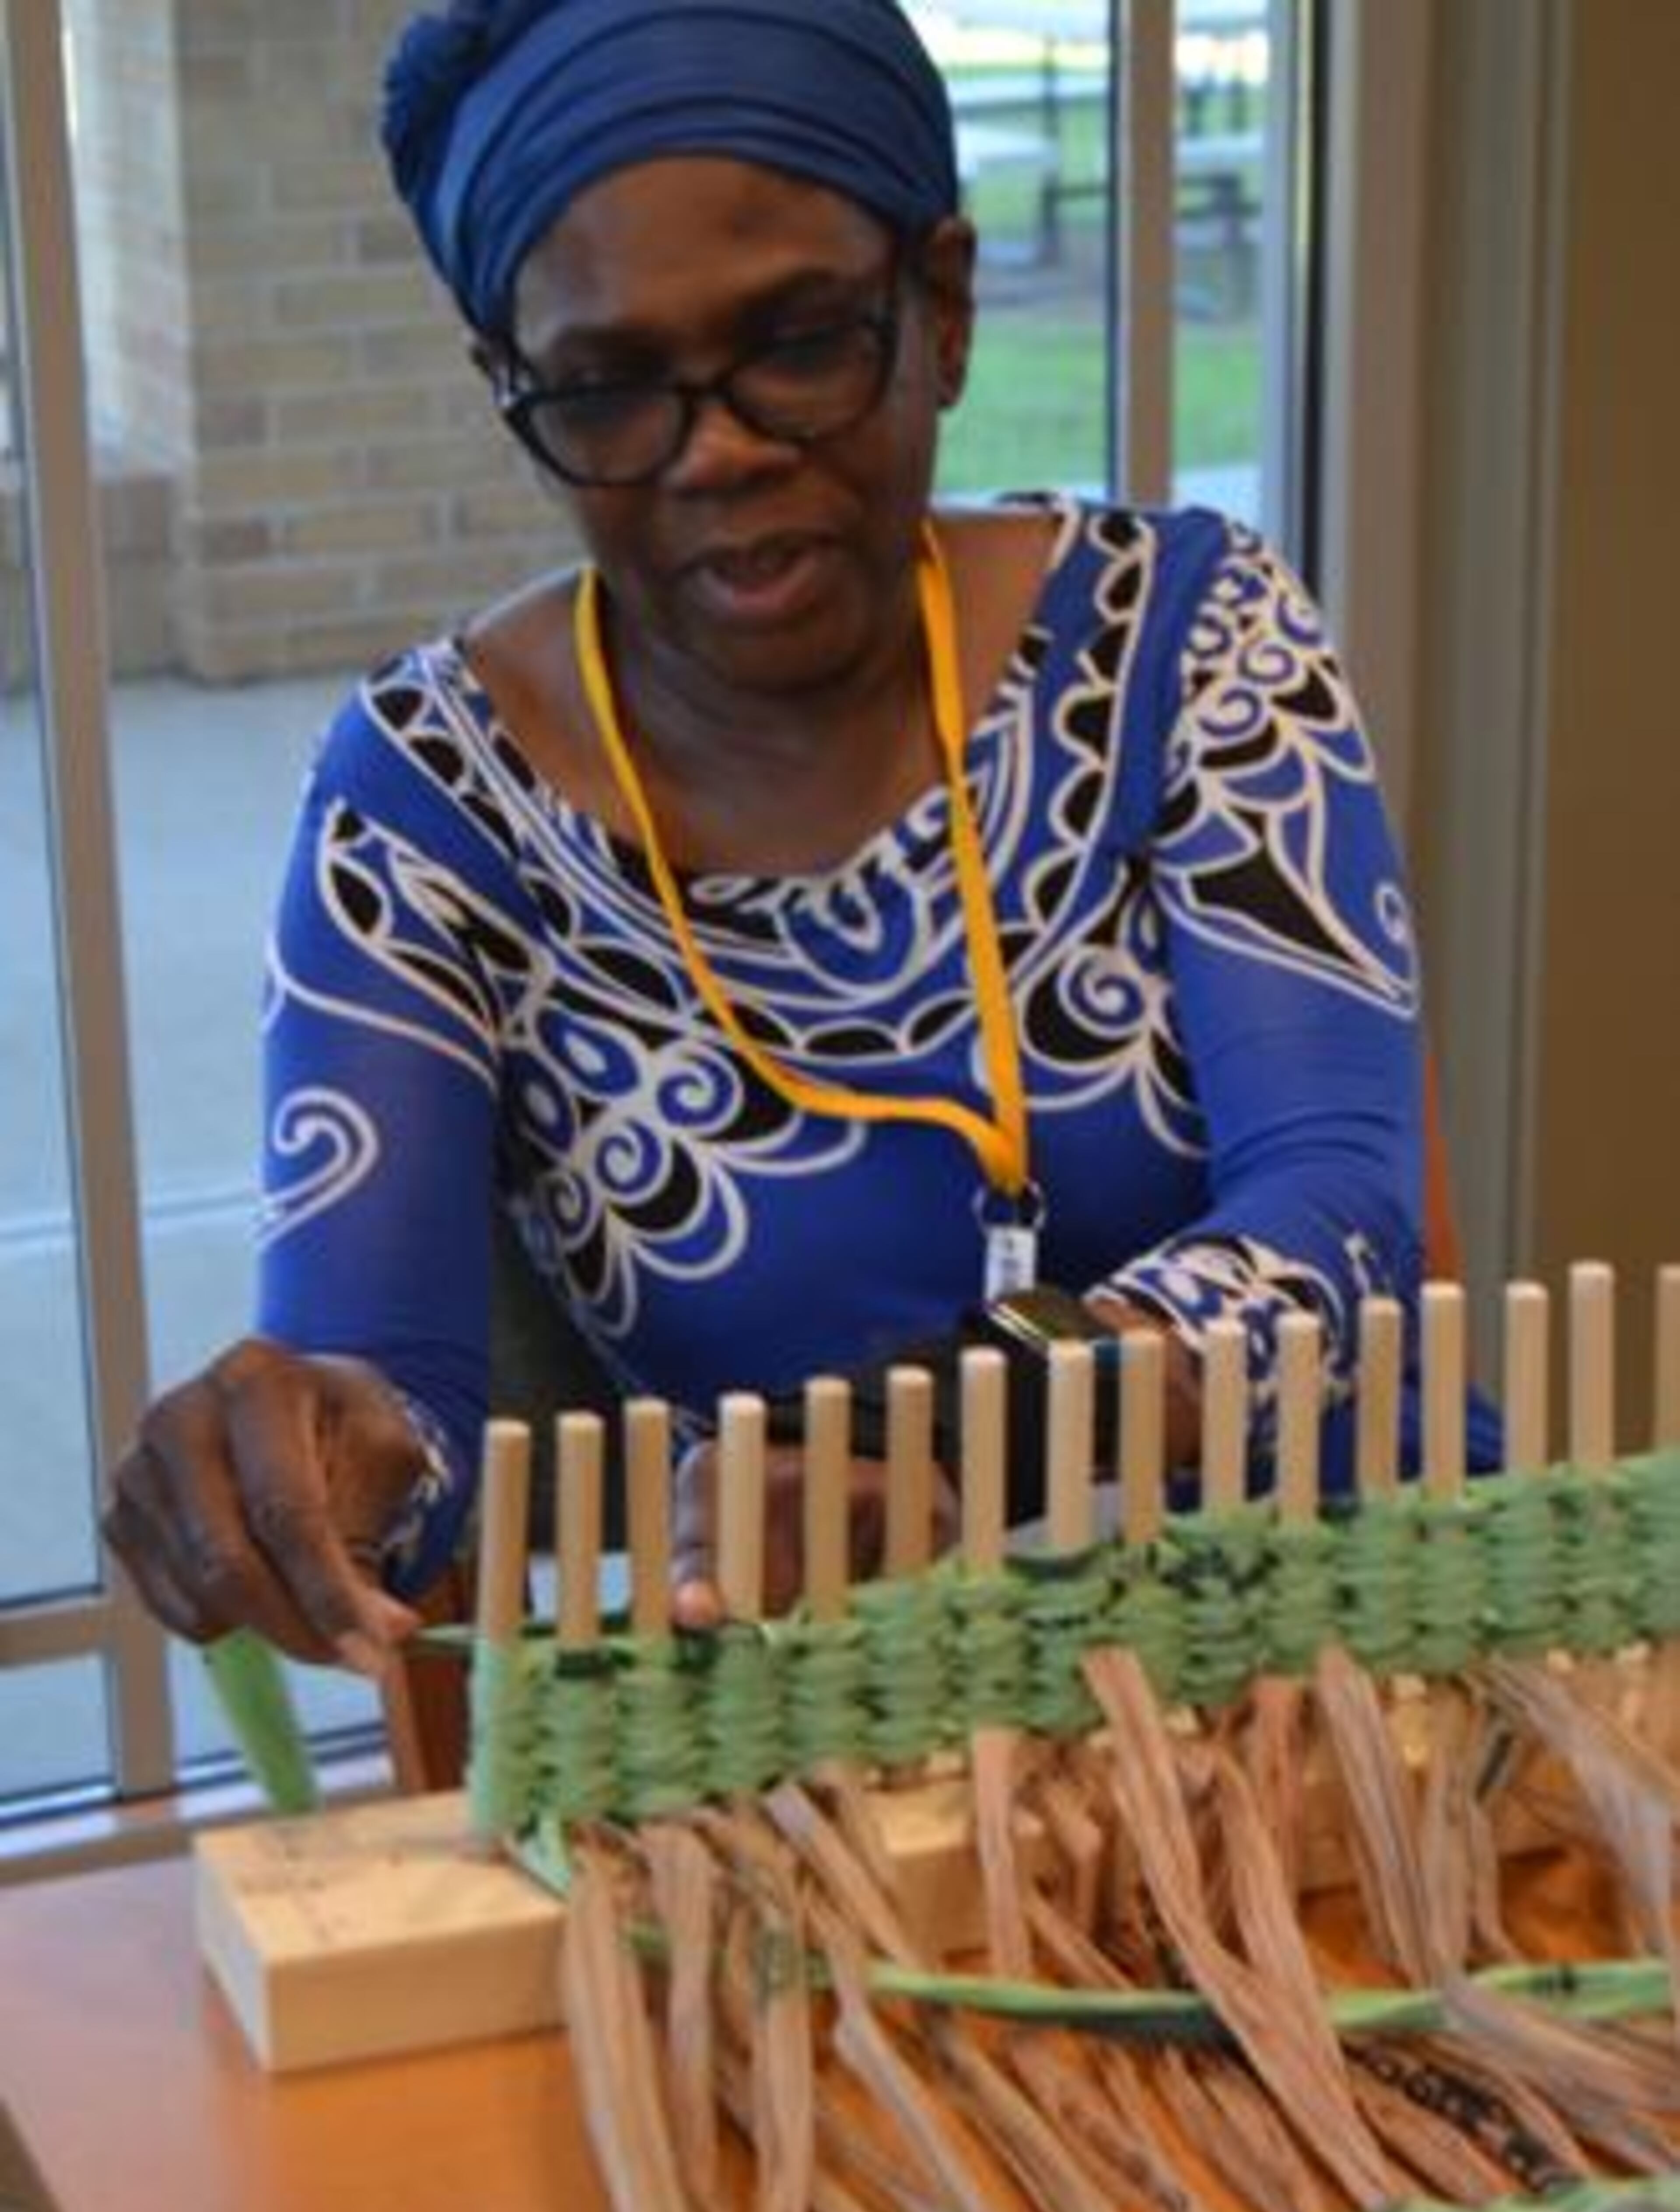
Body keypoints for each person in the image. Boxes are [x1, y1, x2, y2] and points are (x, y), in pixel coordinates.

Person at [102, 0, 1476, 1674]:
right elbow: (404, 1446)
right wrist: (299, 1463)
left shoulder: (1183, 641)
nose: (720, 453)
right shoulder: (426, 803)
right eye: (607, 389)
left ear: (943, 309)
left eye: (801, 344)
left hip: (1357, 1668)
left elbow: (1348, 1205)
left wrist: (968, 1423)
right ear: (508, 385)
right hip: (834, 1753)